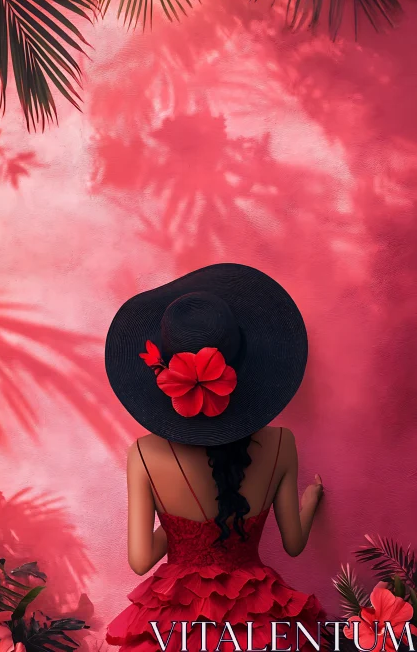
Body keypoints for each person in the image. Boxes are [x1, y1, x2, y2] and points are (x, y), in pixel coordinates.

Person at [104, 263, 326, 652]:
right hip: (258, 620)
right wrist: (310, 503)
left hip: (173, 627)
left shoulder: (143, 453)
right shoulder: (281, 444)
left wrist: (184, 530)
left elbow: (140, 560)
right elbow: (293, 543)